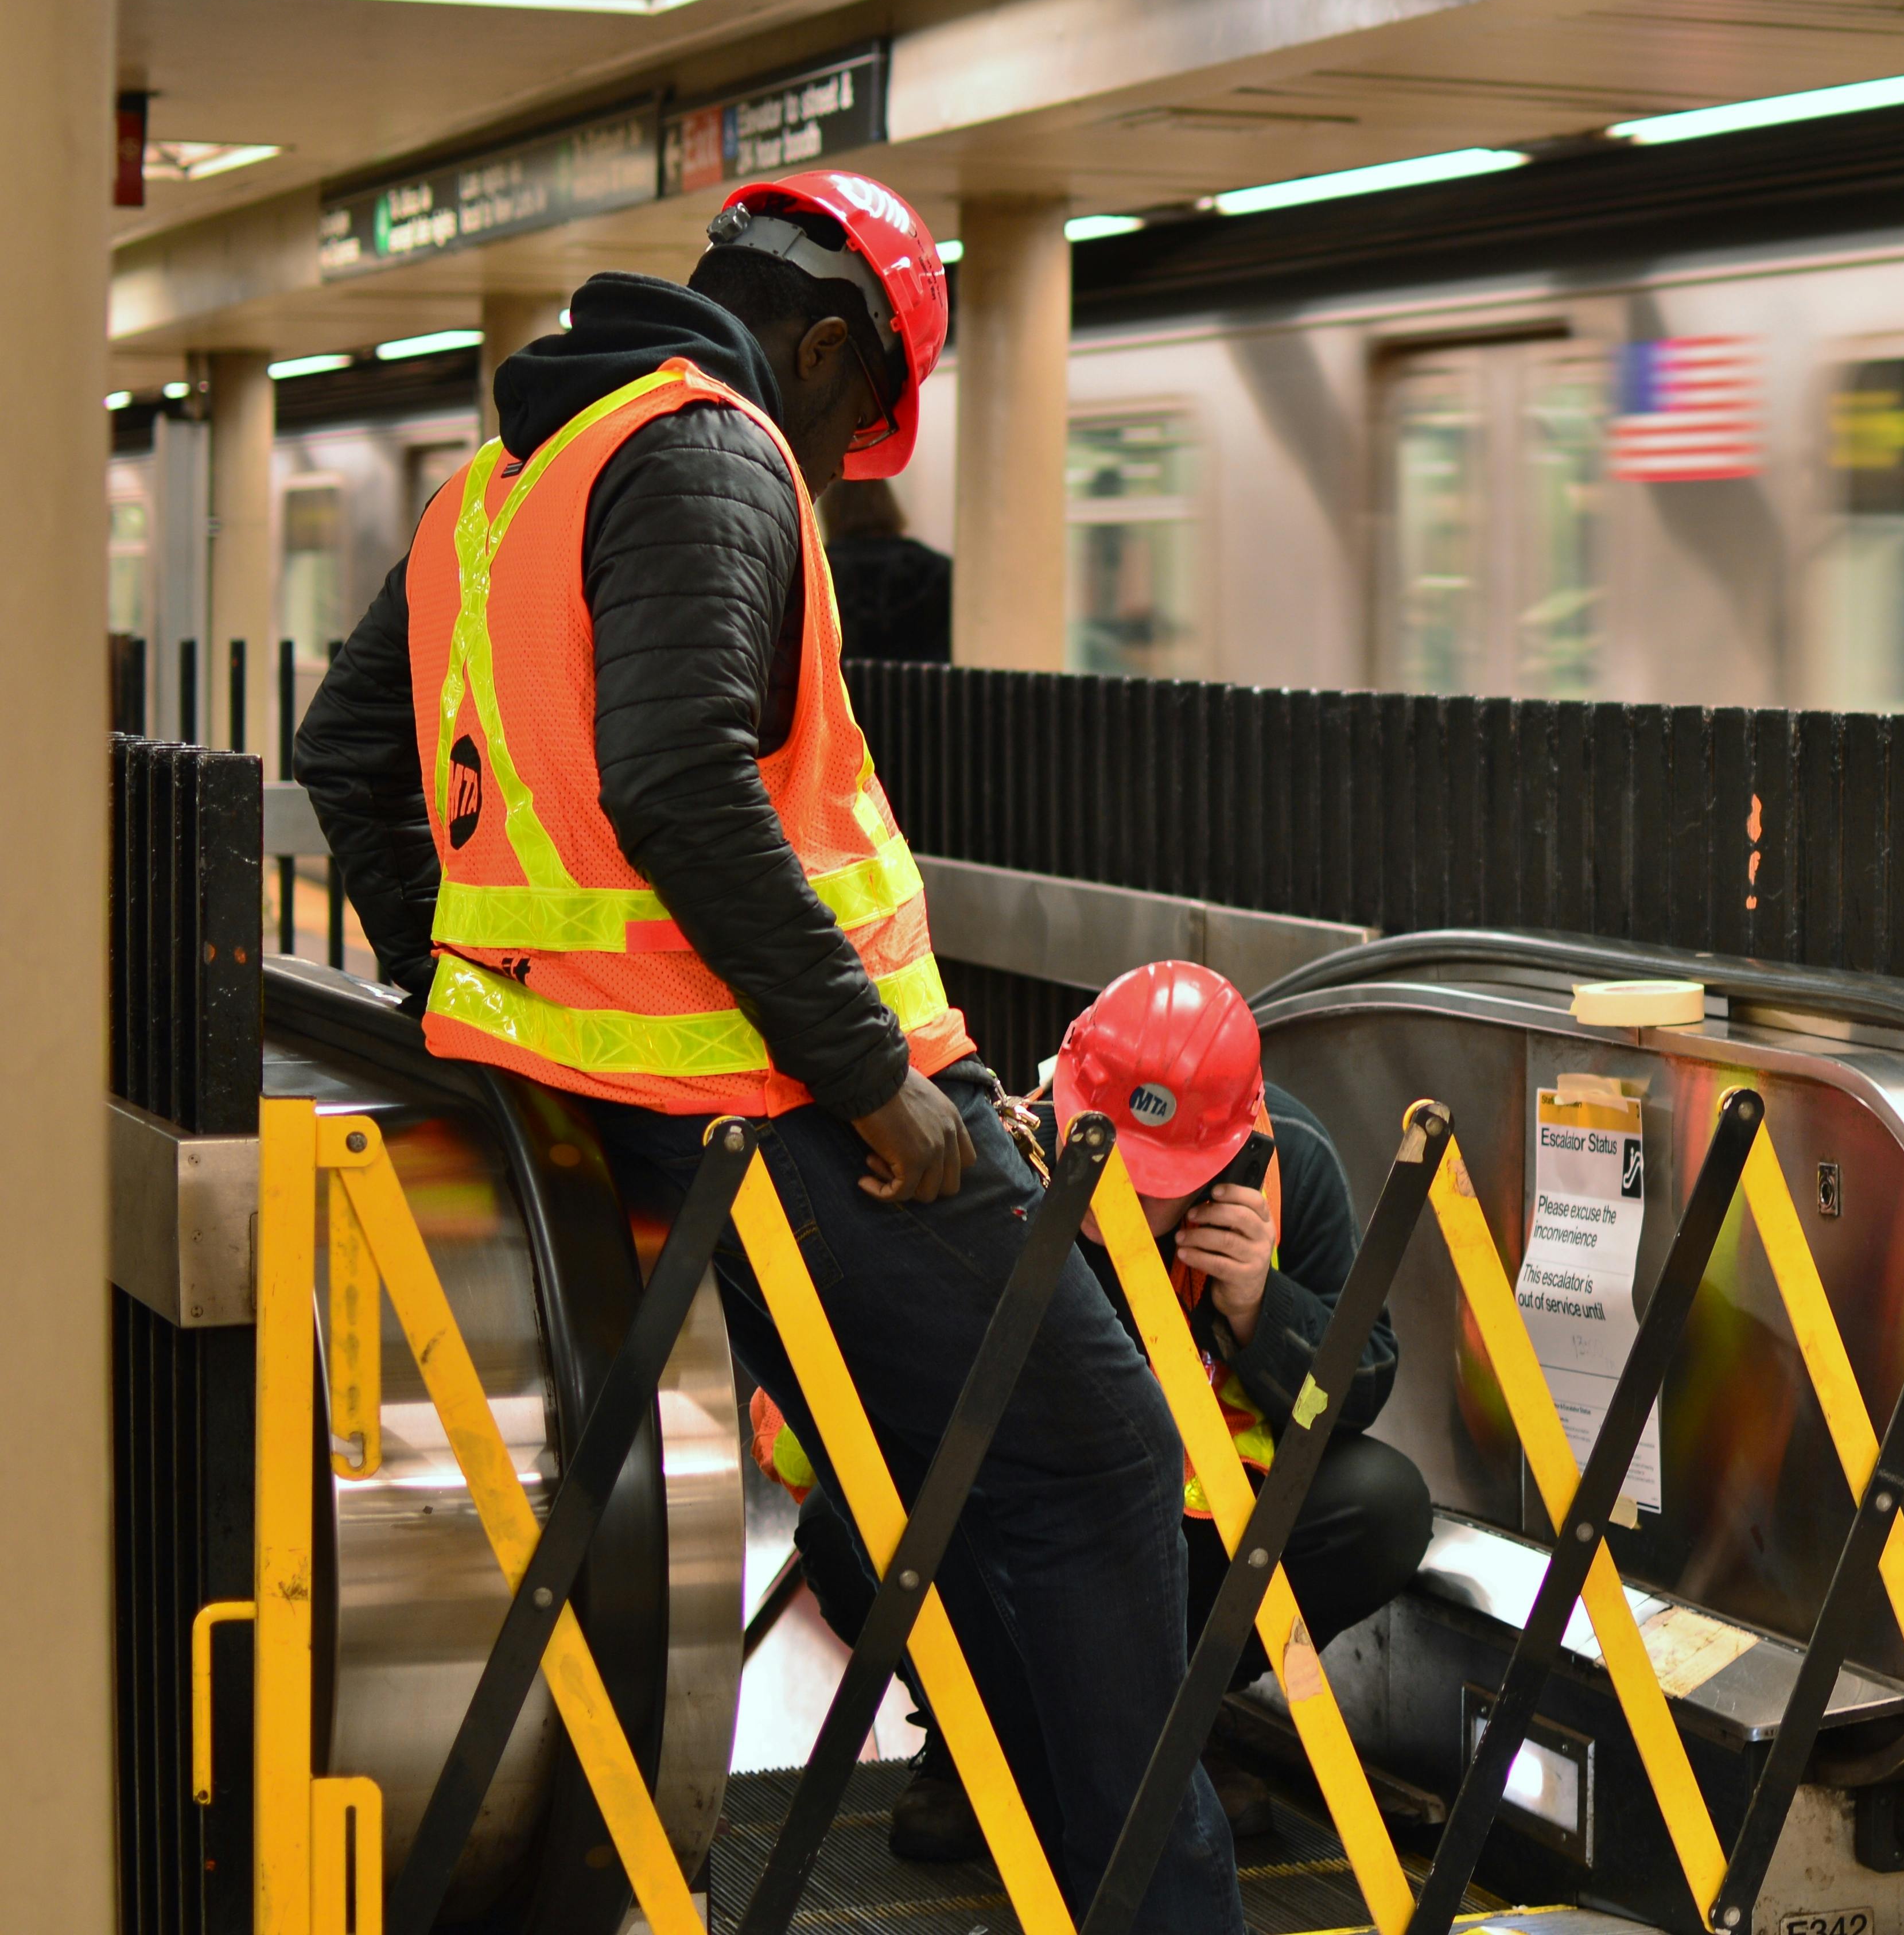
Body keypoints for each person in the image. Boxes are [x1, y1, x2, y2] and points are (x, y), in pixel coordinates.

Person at [291, 170, 1239, 1935]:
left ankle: (1016, 1853)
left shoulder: (496, 493)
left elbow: (347, 757)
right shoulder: (712, 449)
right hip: (784, 1108)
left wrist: (472, 982)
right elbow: (678, 784)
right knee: (1099, 1460)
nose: (835, 473)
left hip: (610, 1100)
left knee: (956, 1480)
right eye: (858, 428)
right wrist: (874, 1079)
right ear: (821, 347)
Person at [848, 959, 1431, 1860]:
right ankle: (982, 1739)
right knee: (846, 1515)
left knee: (1376, 1504)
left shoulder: (1292, 1166)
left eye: (1164, 1169)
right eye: (1106, 1148)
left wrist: (1260, 1311)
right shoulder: (999, 1146)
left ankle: (1171, 1732)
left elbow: (1354, 1398)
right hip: (1025, 1519)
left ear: (1229, 1146)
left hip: (1191, 1523)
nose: (1129, 1188)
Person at [822, 476, 953, 663]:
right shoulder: (937, 572)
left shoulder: (815, 573)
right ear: (889, 504)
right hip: (919, 689)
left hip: (840, 690)